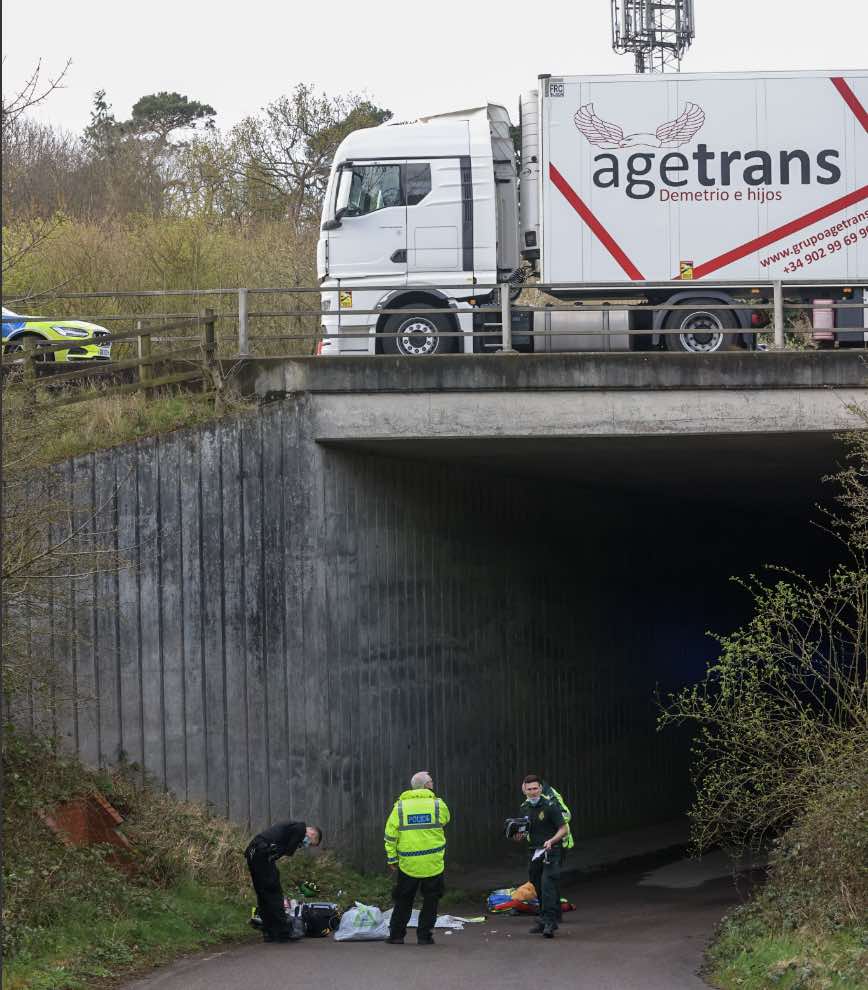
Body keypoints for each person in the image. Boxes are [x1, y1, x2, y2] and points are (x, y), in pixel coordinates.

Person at [384, 771, 451, 946]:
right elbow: (445, 820)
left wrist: (392, 859)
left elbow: (390, 836)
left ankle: (397, 936)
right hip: (433, 862)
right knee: (431, 900)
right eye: (432, 782)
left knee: (403, 899)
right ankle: (425, 936)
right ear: (427, 785)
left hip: (408, 863)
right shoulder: (438, 805)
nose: (433, 784)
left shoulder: (400, 807)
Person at [245, 819, 323, 942]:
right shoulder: (300, 828)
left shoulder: (290, 829)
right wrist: (294, 846)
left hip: (253, 853)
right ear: (312, 834)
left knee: (263, 894)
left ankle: (269, 931)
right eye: (311, 843)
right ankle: (282, 932)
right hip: (262, 852)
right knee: (274, 892)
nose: (306, 845)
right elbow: (289, 850)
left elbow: (282, 849)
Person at [513, 773, 568, 938]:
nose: (533, 792)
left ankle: (550, 923)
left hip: (552, 851)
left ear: (540, 788)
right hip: (534, 851)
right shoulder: (525, 808)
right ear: (524, 790)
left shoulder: (550, 805)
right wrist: (518, 835)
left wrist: (552, 840)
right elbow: (525, 830)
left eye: (535, 788)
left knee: (547, 885)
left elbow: (563, 828)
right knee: (537, 884)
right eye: (529, 789)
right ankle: (544, 919)